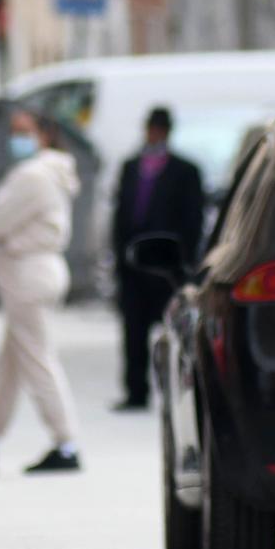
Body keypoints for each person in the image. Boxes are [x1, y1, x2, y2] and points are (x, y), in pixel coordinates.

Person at [0, 109, 83, 476]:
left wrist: (9, 239)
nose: (17, 138)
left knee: (38, 360)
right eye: (14, 131)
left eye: (24, 131)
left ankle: (66, 443)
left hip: (28, 277)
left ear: (44, 134)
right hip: (35, 275)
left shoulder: (33, 176)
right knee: (10, 366)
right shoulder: (53, 172)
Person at [110, 107, 204, 412]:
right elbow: (120, 215)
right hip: (134, 264)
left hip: (167, 265)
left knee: (172, 331)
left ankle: (174, 389)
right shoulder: (130, 167)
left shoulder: (185, 171)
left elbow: (193, 221)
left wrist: (183, 261)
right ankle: (136, 390)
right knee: (133, 331)